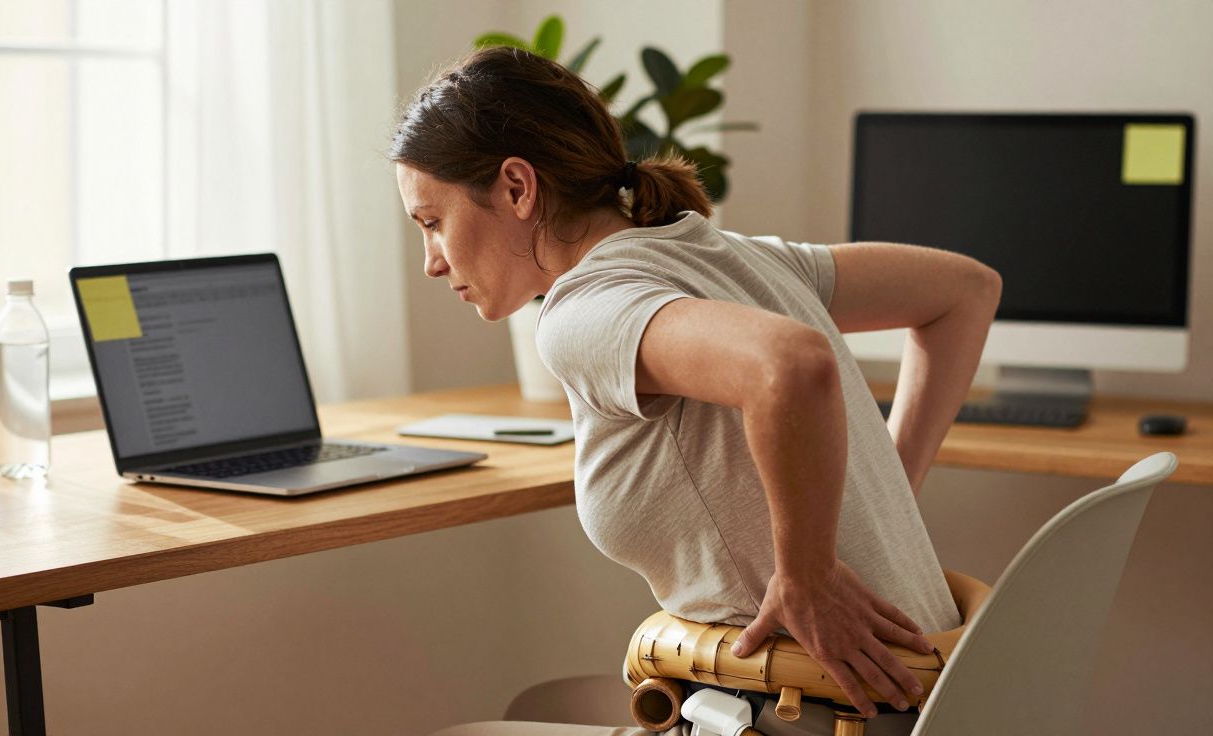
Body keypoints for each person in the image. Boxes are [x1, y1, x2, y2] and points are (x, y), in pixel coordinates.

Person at [391, 47, 1002, 735]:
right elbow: (968, 291)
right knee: (543, 708)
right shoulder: (730, 255)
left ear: (516, 188)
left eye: (432, 222)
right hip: (929, 706)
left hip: (811, 714)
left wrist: (806, 576)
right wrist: (889, 484)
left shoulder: (584, 311)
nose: (431, 263)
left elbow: (790, 365)